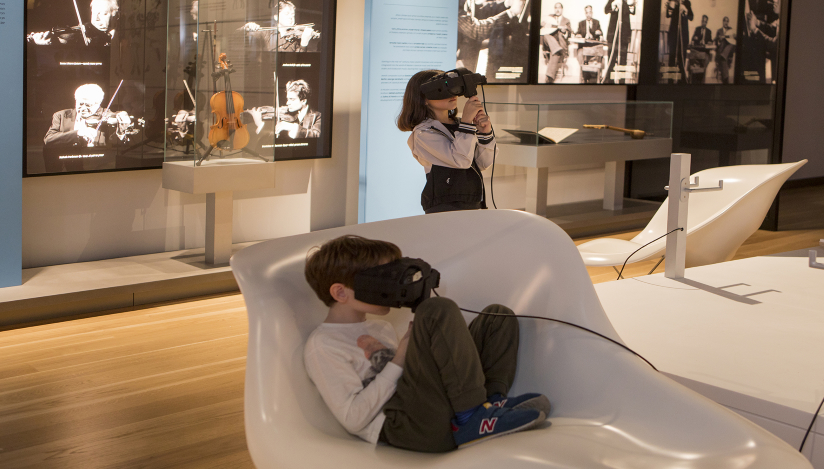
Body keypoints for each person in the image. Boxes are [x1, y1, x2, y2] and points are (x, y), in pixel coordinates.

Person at [303, 235, 550, 452]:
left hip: (431, 409)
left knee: (497, 317)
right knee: (436, 310)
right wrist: (400, 358)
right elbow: (353, 418)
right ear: (341, 293)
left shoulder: (379, 327)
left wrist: (417, 350)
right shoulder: (324, 345)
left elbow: (415, 378)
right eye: (382, 279)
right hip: (409, 428)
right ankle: (472, 417)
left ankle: (488, 406)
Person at [397, 70, 496, 214]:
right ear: (424, 98)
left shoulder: (461, 125)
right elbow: (461, 161)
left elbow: (482, 163)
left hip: (473, 201)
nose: (452, 94)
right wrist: (467, 123)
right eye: (442, 89)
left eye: (453, 87)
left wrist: (485, 133)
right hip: (444, 207)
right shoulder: (423, 133)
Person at [44, 84, 131, 148]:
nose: (83, 108)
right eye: (80, 104)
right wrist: (78, 133)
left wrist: (121, 132)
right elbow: (48, 139)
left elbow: (119, 146)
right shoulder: (61, 115)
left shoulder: (106, 114)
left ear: (98, 104)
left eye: (88, 105)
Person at [28, 0, 119, 47]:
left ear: (114, 16)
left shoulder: (117, 36)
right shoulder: (83, 32)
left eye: (103, 14)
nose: (96, 19)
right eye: (94, 13)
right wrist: (49, 41)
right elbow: (62, 41)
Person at [240, 0, 320, 53]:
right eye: (286, 14)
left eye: (293, 15)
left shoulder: (297, 38)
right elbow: (238, 36)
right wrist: (246, 27)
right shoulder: (266, 33)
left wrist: (304, 43)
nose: (291, 17)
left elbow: (299, 61)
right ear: (276, 17)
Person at [603, 0, 636, 83]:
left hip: (624, 37)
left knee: (622, 62)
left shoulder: (626, 2)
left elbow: (632, 11)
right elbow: (606, 10)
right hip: (612, 36)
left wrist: (632, 4)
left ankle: (621, 83)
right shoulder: (612, 0)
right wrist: (613, 5)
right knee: (611, 62)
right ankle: (609, 83)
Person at [541, 3, 572, 83]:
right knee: (546, 35)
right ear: (554, 9)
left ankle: (549, 78)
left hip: (560, 45)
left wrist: (565, 32)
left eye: (559, 8)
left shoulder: (566, 21)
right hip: (549, 44)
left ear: (562, 9)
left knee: (555, 53)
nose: (557, 9)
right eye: (556, 8)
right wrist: (542, 24)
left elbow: (570, 34)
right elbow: (540, 28)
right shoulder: (549, 17)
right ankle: (557, 49)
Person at [665, 0, 694, 82]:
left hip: (683, 38)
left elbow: (691, 17)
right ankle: (669, 83)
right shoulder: (673, 2)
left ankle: (681, 83)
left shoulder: (687, 3)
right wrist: (670, 6)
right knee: (672, 59)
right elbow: (668, 14)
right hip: (673, 37)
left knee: (682, 60)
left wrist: (686, 10)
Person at [575, 5, 605, 84]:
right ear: (585, 13)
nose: (588, 14)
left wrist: (600, 34)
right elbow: (577, 33)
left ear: (592, 13)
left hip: (593, 48)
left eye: (590, 12)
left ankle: (595, 76)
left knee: (600, 56)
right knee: (580, 55)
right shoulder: (581, 23)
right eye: (587, 12)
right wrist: (578, 35)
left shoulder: (596, 22)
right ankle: (585, 75)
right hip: (583, 48)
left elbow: (601, 33)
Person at [687, 15, 713, 83]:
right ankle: (695, 78)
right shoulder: (697, 29)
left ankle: (700, 80)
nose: (704, 23)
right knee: (693, 58)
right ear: (701, 21)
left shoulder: (709, 31)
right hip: (697, 51)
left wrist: (710, 42)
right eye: (703, 21)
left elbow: (711, 40)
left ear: (707, 22)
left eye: (705, 22)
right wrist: (695, 39)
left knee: (703, 63)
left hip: (705, 53)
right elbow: (693, 39)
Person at [715, 16, 736, 84]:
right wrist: (719, 40)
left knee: (731, 44)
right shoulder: (719, 31)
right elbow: (716, 42)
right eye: (725, 21)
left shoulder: (731, 30)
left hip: (728, 52)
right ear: (723, 22)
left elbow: (735, 40)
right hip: (721, 51)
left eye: (727, 21)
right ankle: (726, 80)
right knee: (723, 42)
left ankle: (725, 79)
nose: (726, 22)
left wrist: (735, 36)